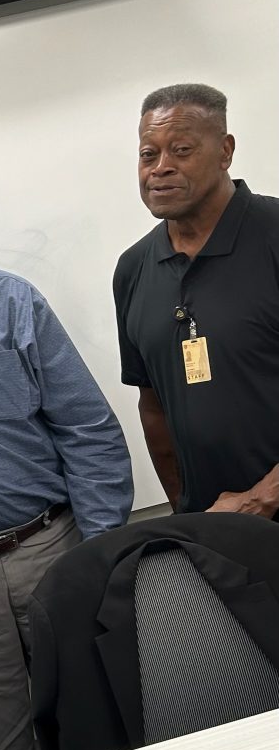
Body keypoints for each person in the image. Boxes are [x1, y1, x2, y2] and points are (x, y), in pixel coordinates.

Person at [114, 82, 279, 519]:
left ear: (225, 151)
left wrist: (261, 499)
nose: (160, 168)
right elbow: (153, 408)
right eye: (149, 154)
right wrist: (189, 519)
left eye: (181, 150)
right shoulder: (133, 269)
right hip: (216, 530)